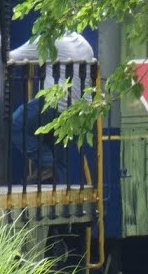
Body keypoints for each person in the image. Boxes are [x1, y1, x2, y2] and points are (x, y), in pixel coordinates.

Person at [8, 32, 95, 183]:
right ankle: (57, 187)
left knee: (15, 124)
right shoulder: (83, 41)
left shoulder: (49, 38)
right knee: (59, 153)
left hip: (55, 106)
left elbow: (10, 57)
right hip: (81, 115)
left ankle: (46, 164)